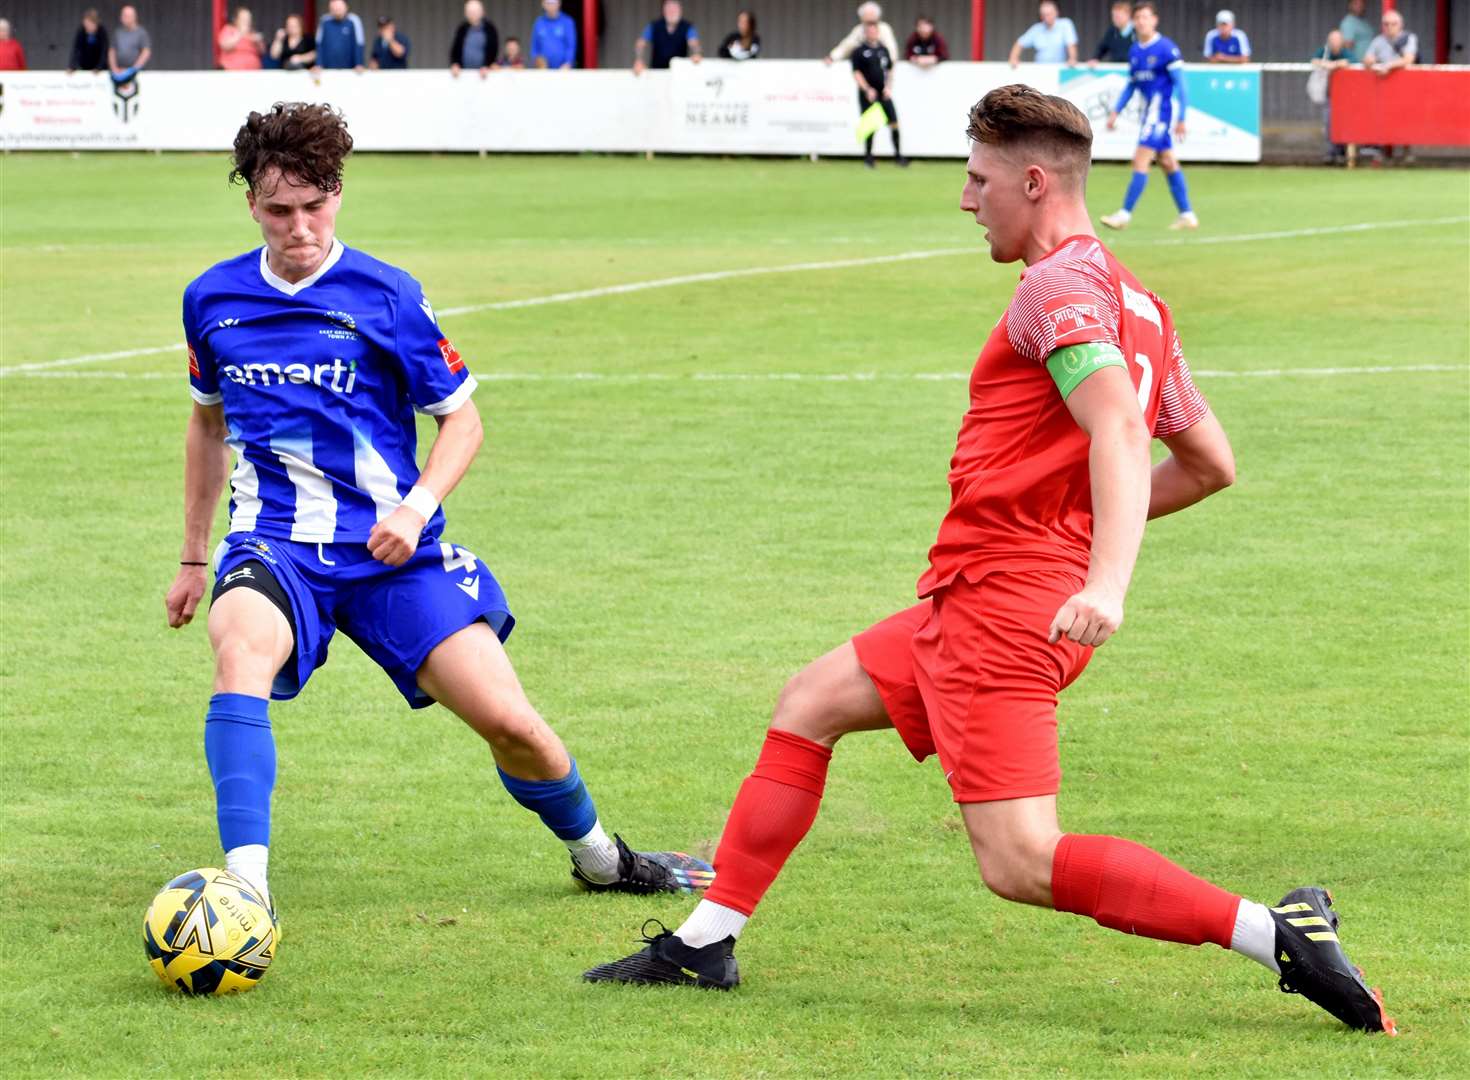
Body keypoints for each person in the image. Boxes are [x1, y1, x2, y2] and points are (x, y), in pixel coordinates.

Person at [581, 82, 1398, 1041]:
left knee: (1021, 861)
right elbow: (1210, 463)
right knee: (808, 704)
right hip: (980, 596)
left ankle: (1279, 933)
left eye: (978, 180)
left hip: (1006, 610)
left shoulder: (1055, 289)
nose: (967, 200)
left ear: (1035, 180)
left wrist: (1102, 579)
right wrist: (1077, 541)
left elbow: (1122, 432)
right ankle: (706, 941)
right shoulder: (1141, 302)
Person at [167, 101, 715, 924]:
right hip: (274, 545)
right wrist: (193, 556)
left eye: (314, 207)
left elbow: (462, 419)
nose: (299, 228)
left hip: (394, 552)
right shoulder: (212, 301)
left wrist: (419, 508)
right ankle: (246, 888)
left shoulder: (389, 296)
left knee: (511, 723)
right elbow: (207, 423)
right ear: (251, 203)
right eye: (279, 210)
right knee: (240, 650)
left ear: (338, 196)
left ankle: (602, 858)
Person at [1100, 3, 1196, 231]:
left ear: (1155, 20)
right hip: (1148, 114)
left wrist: (1182, 117)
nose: (1142, 21)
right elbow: (1131, 86)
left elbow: (1182, 85)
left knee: (1140, 159)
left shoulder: (1166, 48)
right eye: (1138, 17)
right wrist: (1116, 111)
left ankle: (1124, 214)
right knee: (1168, 162)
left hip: (1160, 112)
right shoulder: (1135, 51)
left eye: (1146, 17)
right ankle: (1188, 215)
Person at [849, 19, 907, 169]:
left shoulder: (883, 49)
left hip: (883, 93)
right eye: (869, 31)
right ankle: (868, 158)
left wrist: (888, 87)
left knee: (894, 122)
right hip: (868, 94)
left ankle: (898, 156)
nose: (872, 33)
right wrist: (867, 89)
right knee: (870, 125)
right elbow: (856, 73)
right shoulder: (859, 51)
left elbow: (888, 70)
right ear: (865, 33)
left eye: (875, 31)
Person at [1311, 29, 1357, 164]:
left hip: (1346, 98)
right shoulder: (1324, 52)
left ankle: (1343, 153)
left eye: (1337, 40)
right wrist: (1327, 64)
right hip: (1329, 95)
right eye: (1332, 40)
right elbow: (1314, 60)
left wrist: (1335, 65)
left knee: (1345, 124)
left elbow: (1351, 62)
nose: (1334, 43)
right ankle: (1331, 153)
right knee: (1328, 124)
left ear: (1342, 42)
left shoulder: (1347, 53)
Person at [634, 1, 700, 75]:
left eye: (674, 9)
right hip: (657, 72)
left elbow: (694, 43)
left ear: (680, 10)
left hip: (679, 72)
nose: (671, 12)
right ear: (664, 10)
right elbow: (641, 44)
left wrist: (696, 54)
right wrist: (639, 60)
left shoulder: (687, 27)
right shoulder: (654, 26)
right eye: (669, 9)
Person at [827, 3, 898, 68]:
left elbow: (891, 48)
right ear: (862, 18)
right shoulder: (859, 30)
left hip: (880, 66)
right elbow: (846, 45)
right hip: (863, 66)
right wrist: (832, 57)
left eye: (872, 15)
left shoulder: (884, 28)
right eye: (867, 16)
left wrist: (890, 65)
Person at [1009, 1, 1078, 67]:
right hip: (1040, 69)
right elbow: (1019, 43)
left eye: (1049, 14)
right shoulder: (1036, 29)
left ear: (1057, 13)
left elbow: (1071, 44)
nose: (1046, 17)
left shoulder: (1065, 24)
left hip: (1059, 69)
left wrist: (1072, 58)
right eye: (1044, 15)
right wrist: (1013, 58)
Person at [450, 0, 498, 79]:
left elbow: (493, 49)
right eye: (470, 12)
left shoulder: (490, 28)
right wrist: (455, 64)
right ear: (466, 13)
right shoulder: (462, 29)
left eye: (475, 11)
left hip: (484, 75)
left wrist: (487, 65)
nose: (472, 14)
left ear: (482, 12)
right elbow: (455, 49)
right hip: (463, 74)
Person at [1363, 9, 1418, 75]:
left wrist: (1389, 66)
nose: (1390, 27)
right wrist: (1369, 61)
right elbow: (1367, 58)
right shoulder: (1378, 40)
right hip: (1383, 80)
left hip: (1405, 79)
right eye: (1386, 24)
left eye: (1394, 24)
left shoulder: (1409, 38)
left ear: (1401, 24)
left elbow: (1409, 59)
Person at [314, 0, 364, 71]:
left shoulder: (354, 20)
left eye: (339, 8)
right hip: (327, 70)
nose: (336, 10)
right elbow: (319, 44)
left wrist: (359, 63)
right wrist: (318, 64)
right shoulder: (324, 21)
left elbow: (359, 43)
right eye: (334, 8)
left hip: (349, 70)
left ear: (346, 7)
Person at [109, 5, 152, 84]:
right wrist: (114, 68)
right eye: (123, 15)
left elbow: (146, 52)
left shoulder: (141, 33)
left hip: (136, 75)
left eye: (127, 16)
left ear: (134, 17)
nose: (124, 18)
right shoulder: (118, 33)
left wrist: (133, 69)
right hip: (118, 73)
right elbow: (112, 51)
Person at [531, 0, 578, 69]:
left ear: (559, 4)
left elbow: (571, 45)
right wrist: (537, 60)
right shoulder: (539, 22)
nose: (551, 6)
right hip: (544, 69)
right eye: (548, 3)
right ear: (543, 4)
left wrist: (568, 62)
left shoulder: (567, 22)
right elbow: (534, 47)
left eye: (553, 3)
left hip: (563, 69)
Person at [1089, 0, 1133, 65]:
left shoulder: (1137, 30)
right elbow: (1102, 48)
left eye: (1118, 17)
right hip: (1116, 70)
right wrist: (1095, 59)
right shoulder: (1112, 31)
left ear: (1128, 15)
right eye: (1113, 16)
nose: (1115, 19)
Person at [69, 9, 110, 74]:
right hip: (85, 65)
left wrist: (99, 67)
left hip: (100, 67)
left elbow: (104, 51)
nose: (87, 27)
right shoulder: (81, 30)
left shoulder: (102, 31)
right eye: (85, 25)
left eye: (89, 25)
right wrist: (72, 66)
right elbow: (76, 49)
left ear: (95, 23)